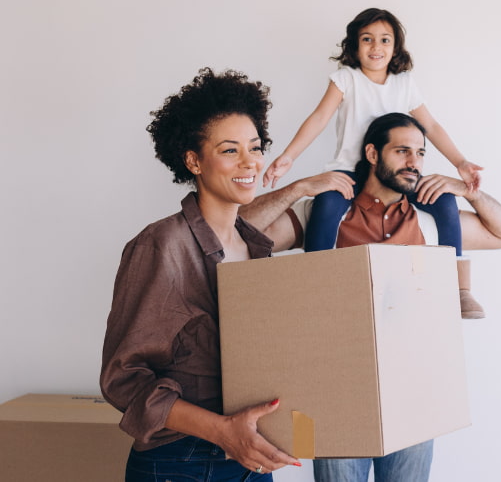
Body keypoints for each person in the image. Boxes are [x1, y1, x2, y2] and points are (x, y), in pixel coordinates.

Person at [100, 68, 354, 481]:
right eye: (229, 150)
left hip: (249, 456)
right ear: (193, 161)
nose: (250, 162)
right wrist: (222, 431)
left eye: (255, 147)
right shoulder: (161, 246)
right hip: (180, 461)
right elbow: (122, 380)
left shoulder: (254, 248)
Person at [240, 112, 501, 482]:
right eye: (402, 151)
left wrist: (469, 191)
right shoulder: (327, 214)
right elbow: (238, 233)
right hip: (338, 390)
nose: (414, 162)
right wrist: (298, 189)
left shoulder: (429, 221)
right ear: (372, 154)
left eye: (420, 153)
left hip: (415, 390)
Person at [261, 7, 488, 318]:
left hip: (396, 174)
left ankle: (459, 289)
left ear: (395, 48)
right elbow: (319, 118)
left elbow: (431, 126)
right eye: (367, 39)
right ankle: (315, 284)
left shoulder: (404, 83)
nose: (376, 47)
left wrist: (460, 162)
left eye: (384, 40)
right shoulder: (346, 79)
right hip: (350, 172)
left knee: (445, 200)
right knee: (326, 207)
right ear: (355, 46)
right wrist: (288, 157)